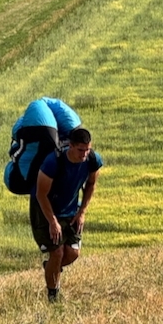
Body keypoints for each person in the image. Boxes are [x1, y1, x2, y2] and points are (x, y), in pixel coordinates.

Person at [30, 126, 102, 303]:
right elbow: (41, 194)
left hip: (71, 210)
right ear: (70, 146)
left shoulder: (92, 160)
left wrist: (82, 211)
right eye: (80, 150)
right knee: (58, 252)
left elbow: (91, 184)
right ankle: (53, 297)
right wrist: (52, 221)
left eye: (87, 150)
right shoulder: (53, 162)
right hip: (45, 208)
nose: (84, 154)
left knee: (73, 253)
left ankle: (50, 269)